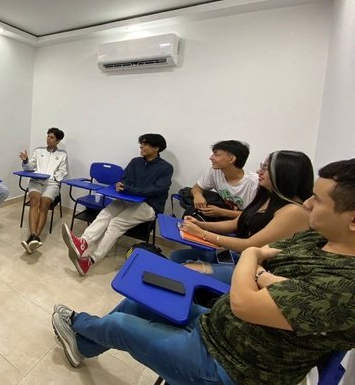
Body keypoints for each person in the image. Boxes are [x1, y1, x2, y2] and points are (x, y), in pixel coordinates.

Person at [52, 158, 355, 385]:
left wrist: (254, 259)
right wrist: (263, 274)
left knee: (120, 323)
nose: (308, 204)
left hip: (232, 367)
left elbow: (245, 294)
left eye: (318, 200)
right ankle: (82, 344)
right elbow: (257, 265)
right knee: (137, 302)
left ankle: (78, 324)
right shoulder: (315, 239)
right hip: (217, 327)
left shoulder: (345, 285)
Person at [170, 150, 313, 283]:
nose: (259, 171)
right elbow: (235, 224)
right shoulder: (267, 196)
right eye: (262, 166)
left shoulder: (294, 211)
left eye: (265, 168)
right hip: (241, 256)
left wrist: (203, 234)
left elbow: (249, 244)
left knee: (184, 269)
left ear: (284, 175)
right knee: (177, 256)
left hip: (258, 269)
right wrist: (200, 224)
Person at [62, 134, 173, 276]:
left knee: (116, 223)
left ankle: (91, 260)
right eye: (141, 143)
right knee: (105, 213)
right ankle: (83, 242)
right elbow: (125, 179)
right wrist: (120, 185)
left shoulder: (166, 168)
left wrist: (130, 189)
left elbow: (156, 190)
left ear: (156, 148)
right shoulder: (135, 162)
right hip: (128, 198)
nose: (141, 146)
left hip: (149, 205)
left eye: (145, 144)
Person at [19, 127, 68, 253]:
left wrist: (53, 178)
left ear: (57, 141)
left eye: (52, 137)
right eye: (48, 136)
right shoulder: (38, 151)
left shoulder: (62, 154)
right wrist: (25, 160)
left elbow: (63, 172)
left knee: (44, 204)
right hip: (36, 181)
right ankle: (34, 236)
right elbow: (30, 168)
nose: (48, 139)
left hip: (51, 183)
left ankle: (33, 238)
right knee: (35, 201)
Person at [186, 140, 258, 220]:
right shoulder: (214, 171)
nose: (211, 157)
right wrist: (198, 195)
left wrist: (222, 212)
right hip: (224, 214)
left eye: (216, 154)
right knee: (188, 194)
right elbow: (197, 187)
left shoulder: (254, 182)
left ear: (231, 159)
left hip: (244, 221)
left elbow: (257, 215)